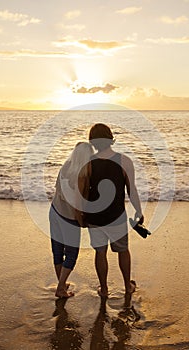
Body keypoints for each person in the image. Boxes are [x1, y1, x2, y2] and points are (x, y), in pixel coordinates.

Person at [85, 123, 144, 298]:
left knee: (100, 252)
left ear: (93, 141)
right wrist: (139, 211)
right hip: (116, 215)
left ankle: (104, 289)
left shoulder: (88, 162)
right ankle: (127, 286)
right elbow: (131, 189)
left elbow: (82, 190)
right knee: (123, 250)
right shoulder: (124, 160)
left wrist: (79, 214)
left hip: (94, 216)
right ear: (110, 138)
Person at [49, 142, 94, 298]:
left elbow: (57, 190)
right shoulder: (82, 174)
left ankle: (61, 282)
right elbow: (77, 204)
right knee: (71, 254)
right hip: (68, 217)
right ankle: (61, 288)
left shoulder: (65, 166)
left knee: (57, 250)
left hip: (54, 211)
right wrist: (81, 222)